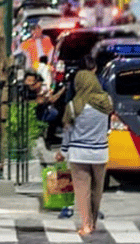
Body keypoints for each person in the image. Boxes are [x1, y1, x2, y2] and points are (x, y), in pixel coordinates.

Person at [55, 57, 112, 236]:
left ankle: (86, 225)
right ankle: (93, 222)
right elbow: (108, 126)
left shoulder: (73, 106)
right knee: (97, 191)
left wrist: (62, 152)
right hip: (100, 153)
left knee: (82, 191)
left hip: (79, 153)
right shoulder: (106, 102)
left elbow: (68, 132)